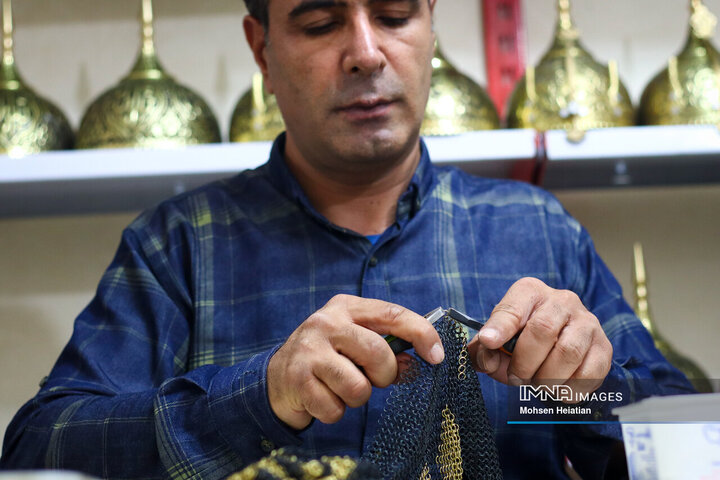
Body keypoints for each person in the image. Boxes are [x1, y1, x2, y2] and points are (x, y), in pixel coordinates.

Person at [0, 0, 694, 478]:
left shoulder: (540, 231)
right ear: (261, 48)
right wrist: (259, 395)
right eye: (322, 22)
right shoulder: (177, 247)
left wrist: (581, 395)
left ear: (429, 25)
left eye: (394, 15)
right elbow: (36, 452)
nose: (366, 52)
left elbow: (688, 446)